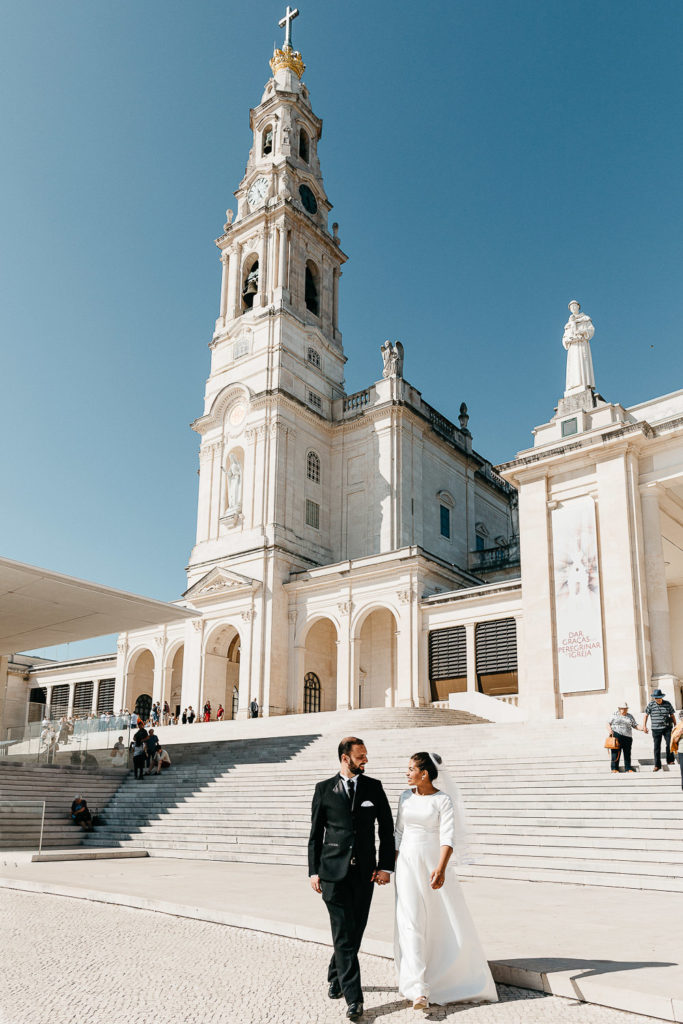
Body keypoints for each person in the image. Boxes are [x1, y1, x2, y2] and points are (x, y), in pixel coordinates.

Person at [394, 752, 497, 1010]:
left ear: (424, 773)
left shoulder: (443, 800)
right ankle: (418, 989)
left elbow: (447, 837)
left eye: (410, 769)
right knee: (410, 921)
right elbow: (398, 833)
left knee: (441, 919)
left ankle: (446, 974)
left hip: (432, 865)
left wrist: (440, 868)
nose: (406, 773)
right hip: (405, 865)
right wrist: (390, 866)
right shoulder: (405, 797)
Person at [308, 737, 394, 1022]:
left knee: (354, 931)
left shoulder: (373, 787)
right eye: (361, 756)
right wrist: (313, 870)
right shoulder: (324, 789)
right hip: (333, 873)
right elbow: (315, 835)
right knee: (343, 934)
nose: (365, 760)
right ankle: (354, 999)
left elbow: (387, 830)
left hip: (365, 873)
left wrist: (385, 867)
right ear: (345, 758)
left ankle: (335, 974)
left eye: (365, 755)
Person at [643, 688, 677, 771]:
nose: (657, 699)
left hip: (667, 728)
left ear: (661, 697)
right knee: (657, 747)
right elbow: (646, 716)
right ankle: (657, 765)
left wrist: (675, 725)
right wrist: (644, 726)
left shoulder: (667, 704)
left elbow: (672, 715)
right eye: (656, 698)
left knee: (669, 744)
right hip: (656, 729)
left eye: (659, 697)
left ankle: (670, 760)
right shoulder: (651, 705)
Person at [606, 702, 643, 773]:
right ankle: (614, 768)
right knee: (615, 753)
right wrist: (610, 730)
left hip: (627, 737)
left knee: (627, 753)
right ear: (619, 709)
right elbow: (608, 723)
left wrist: (642, 729)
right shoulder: (614, 715)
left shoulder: (630, 716)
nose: (624, 710)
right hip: (616, 735)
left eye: (626, 709)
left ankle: (628, 768)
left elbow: (635, 725)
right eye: (622, 709)